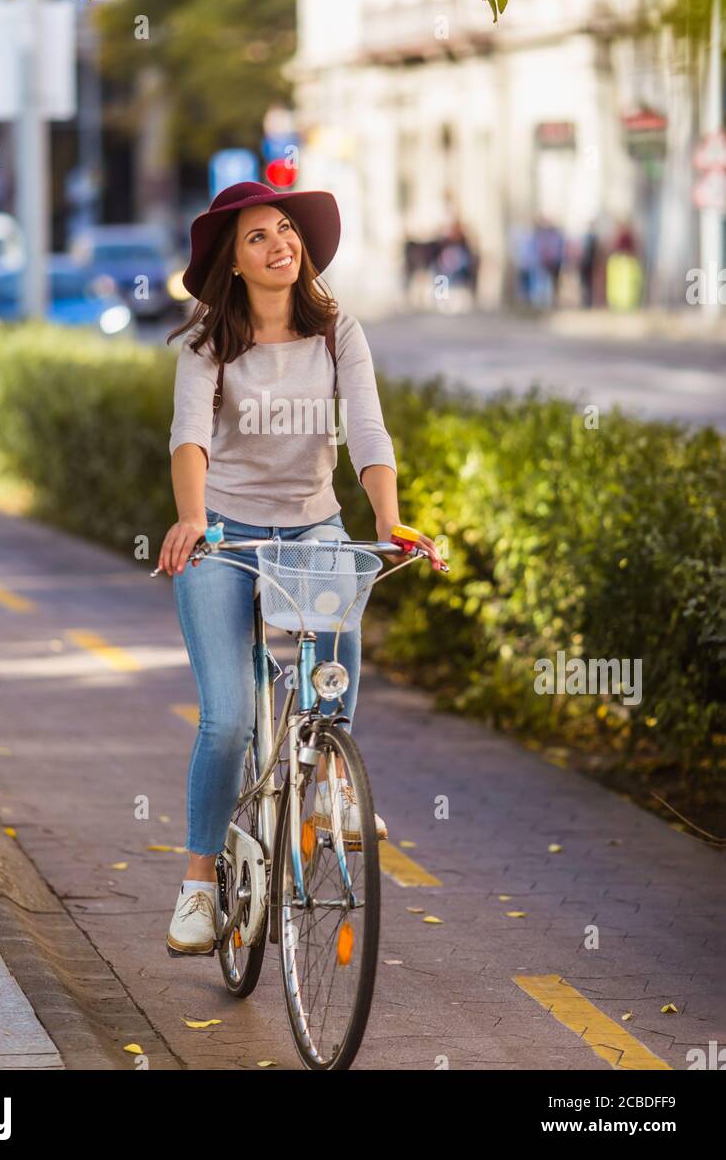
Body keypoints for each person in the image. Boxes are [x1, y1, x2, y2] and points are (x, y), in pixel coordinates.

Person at [157, 180, 446, 956]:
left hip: (312, 527)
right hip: (223, 536)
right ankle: (195, 888)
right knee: (228, 721)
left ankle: (329, 785)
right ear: (234, 263)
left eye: (285, 228)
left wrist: (388, 522)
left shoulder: (337, 332)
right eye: (257, 237)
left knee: (337, 634)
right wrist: (192, 518)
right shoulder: (206, 346)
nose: (279, 243)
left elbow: (369, 430)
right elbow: (191, 439)